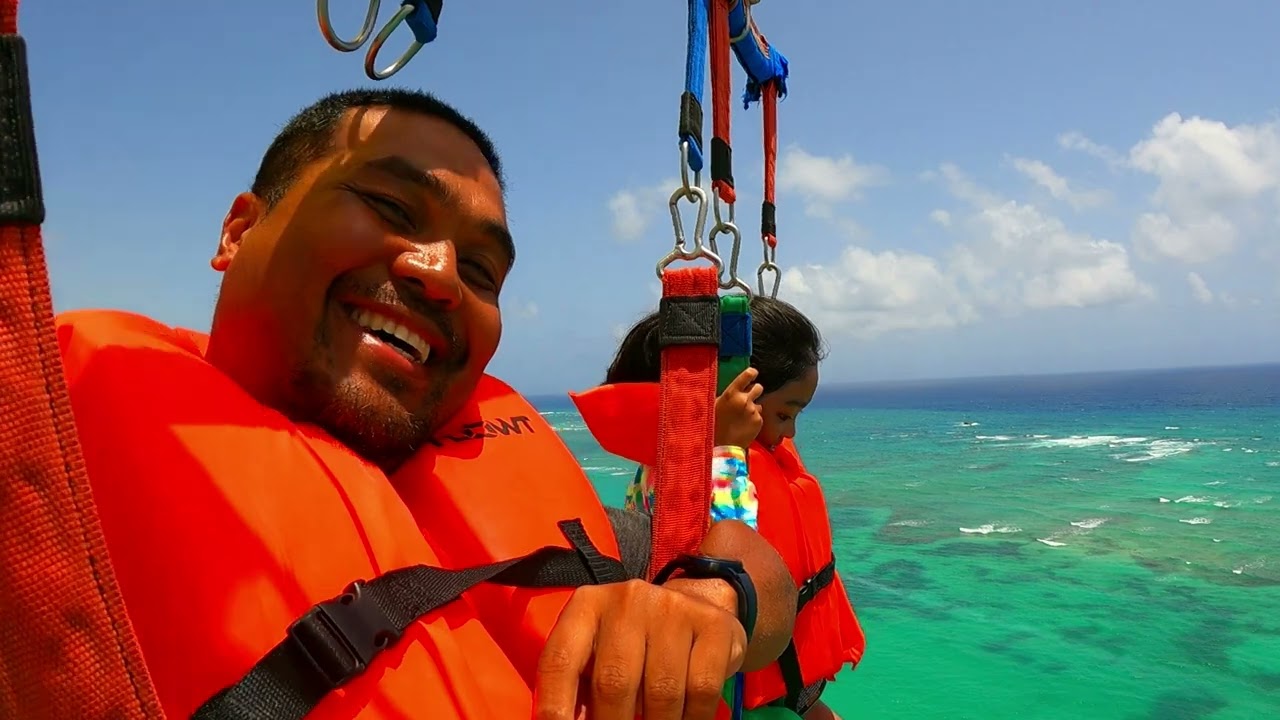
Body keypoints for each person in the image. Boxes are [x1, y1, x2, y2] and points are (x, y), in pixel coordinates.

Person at [48, 88, 801, 720]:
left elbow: (743, 554)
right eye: (388, 206)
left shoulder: (478, 456)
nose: (440, 275)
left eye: (480, 269)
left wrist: (712, 597)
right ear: (239, 229)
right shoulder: (52, 449)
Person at [572, 296, 866, 719]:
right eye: (784, 414)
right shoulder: (688, 470)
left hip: (778, 683)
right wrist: (725, 448)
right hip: (730, 690)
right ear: (739, 396)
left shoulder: (692, 455)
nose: (790, 432)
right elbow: (733, 556)